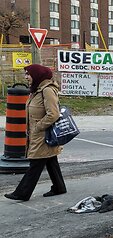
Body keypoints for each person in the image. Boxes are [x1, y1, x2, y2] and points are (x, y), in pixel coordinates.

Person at [4, 64, 66, 201]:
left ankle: (22, 193)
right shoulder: (38, 90)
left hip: (43, 134)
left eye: (28, 74)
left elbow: (53, 114)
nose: (26, 77)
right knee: (50, 160)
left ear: (37, 75)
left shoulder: (47, 91)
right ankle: (59, 187)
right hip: (38, 134)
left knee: (35, 164)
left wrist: (38, 127)